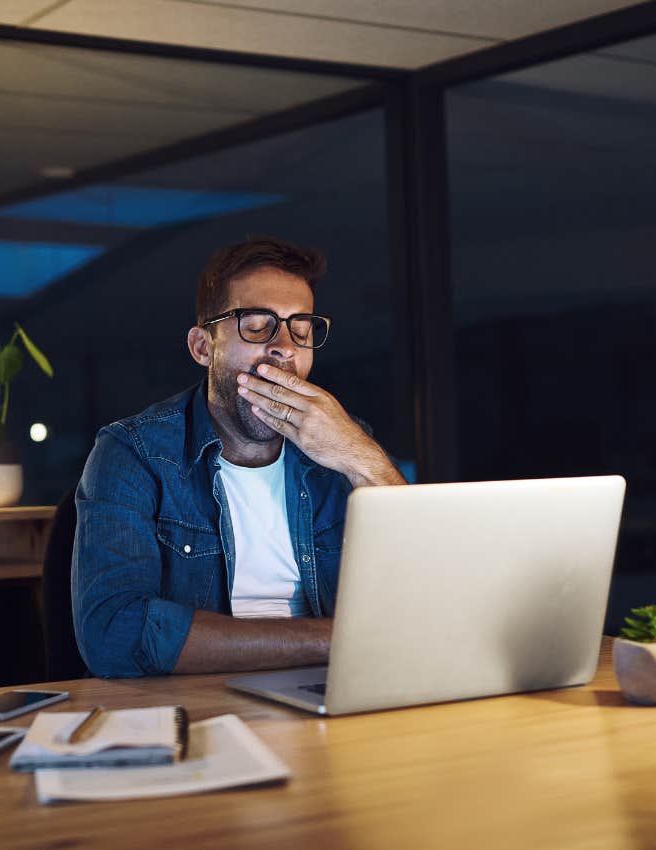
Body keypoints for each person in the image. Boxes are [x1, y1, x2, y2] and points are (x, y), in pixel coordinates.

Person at [72, 236, 406, 678]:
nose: (284, 346)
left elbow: (426, 596)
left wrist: (362, 458)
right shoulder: (132, 452)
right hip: (200, 703)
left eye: (300, 329)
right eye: (257, 325)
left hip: (335, 692)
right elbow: (114, 635)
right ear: (202, 347)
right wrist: (337, 640)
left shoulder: (345, 446)